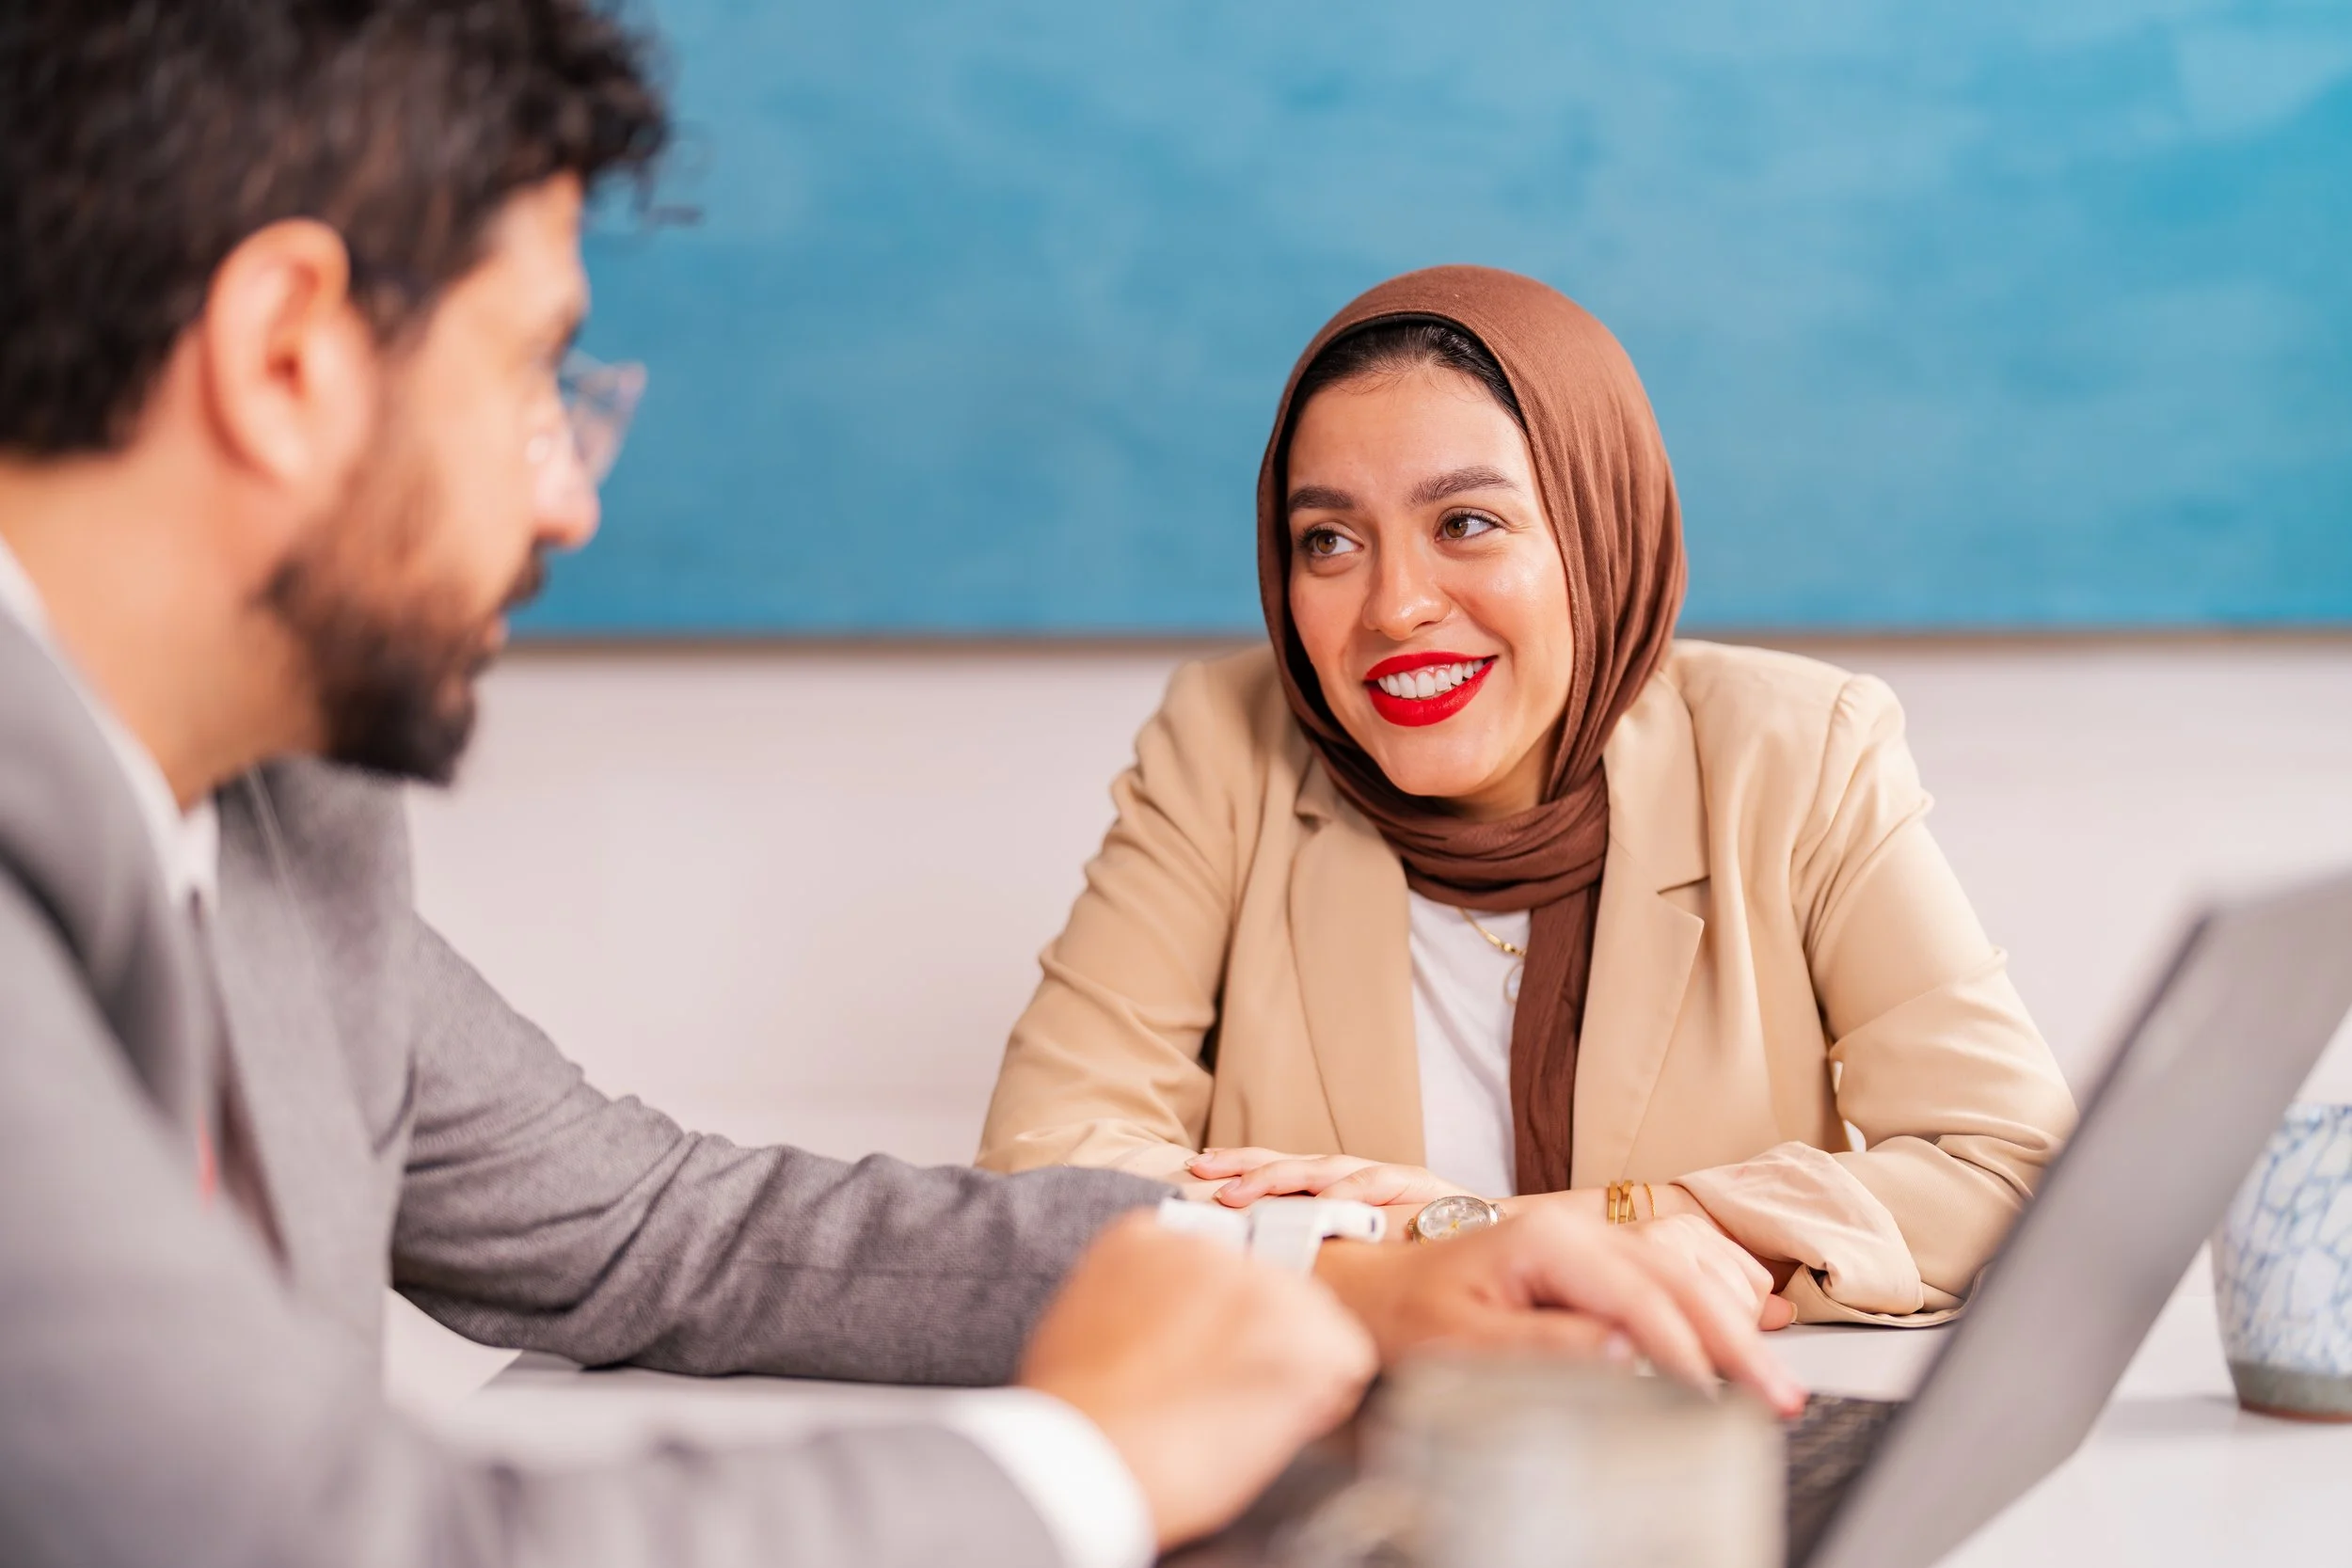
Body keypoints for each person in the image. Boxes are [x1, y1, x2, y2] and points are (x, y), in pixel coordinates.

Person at [0, 8, 1804, 1568]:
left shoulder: (279, 818)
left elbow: (655, 1229)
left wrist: (1342, 1274)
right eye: (535, 375)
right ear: (287, 356)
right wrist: (1075, 1462)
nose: (571, 496)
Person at [979, 266, 2081, 1327]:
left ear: (1595, 530)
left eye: (1465, 522)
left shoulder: (1793, 753)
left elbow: (2009, 1165)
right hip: (1345, 1443)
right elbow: (1044, 1169)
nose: (1394, 606)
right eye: (1329, 541)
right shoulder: (1223, 745)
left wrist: (1594, 1222)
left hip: (1702, 1443)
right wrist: (1422, 1248)